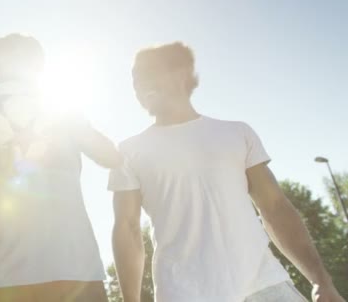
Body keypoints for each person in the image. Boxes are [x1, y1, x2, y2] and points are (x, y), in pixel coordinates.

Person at [109, 42, 345, 302]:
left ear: (180, 75)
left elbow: (275, 207)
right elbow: (127, 228)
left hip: (265, 288)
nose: (139, 85)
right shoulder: (128, 152)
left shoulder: (236, 133)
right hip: (184, 295)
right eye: (135, 79)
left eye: (148, 74)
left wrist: (321, 281)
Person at [0, 33, 121, 302]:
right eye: (0, 67)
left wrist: (73, 124)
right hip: (1, 273)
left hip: (74, 268)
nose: (7, 75)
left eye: (16, 64)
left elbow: (112, 158)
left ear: (39, 68)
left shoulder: (63, 109)